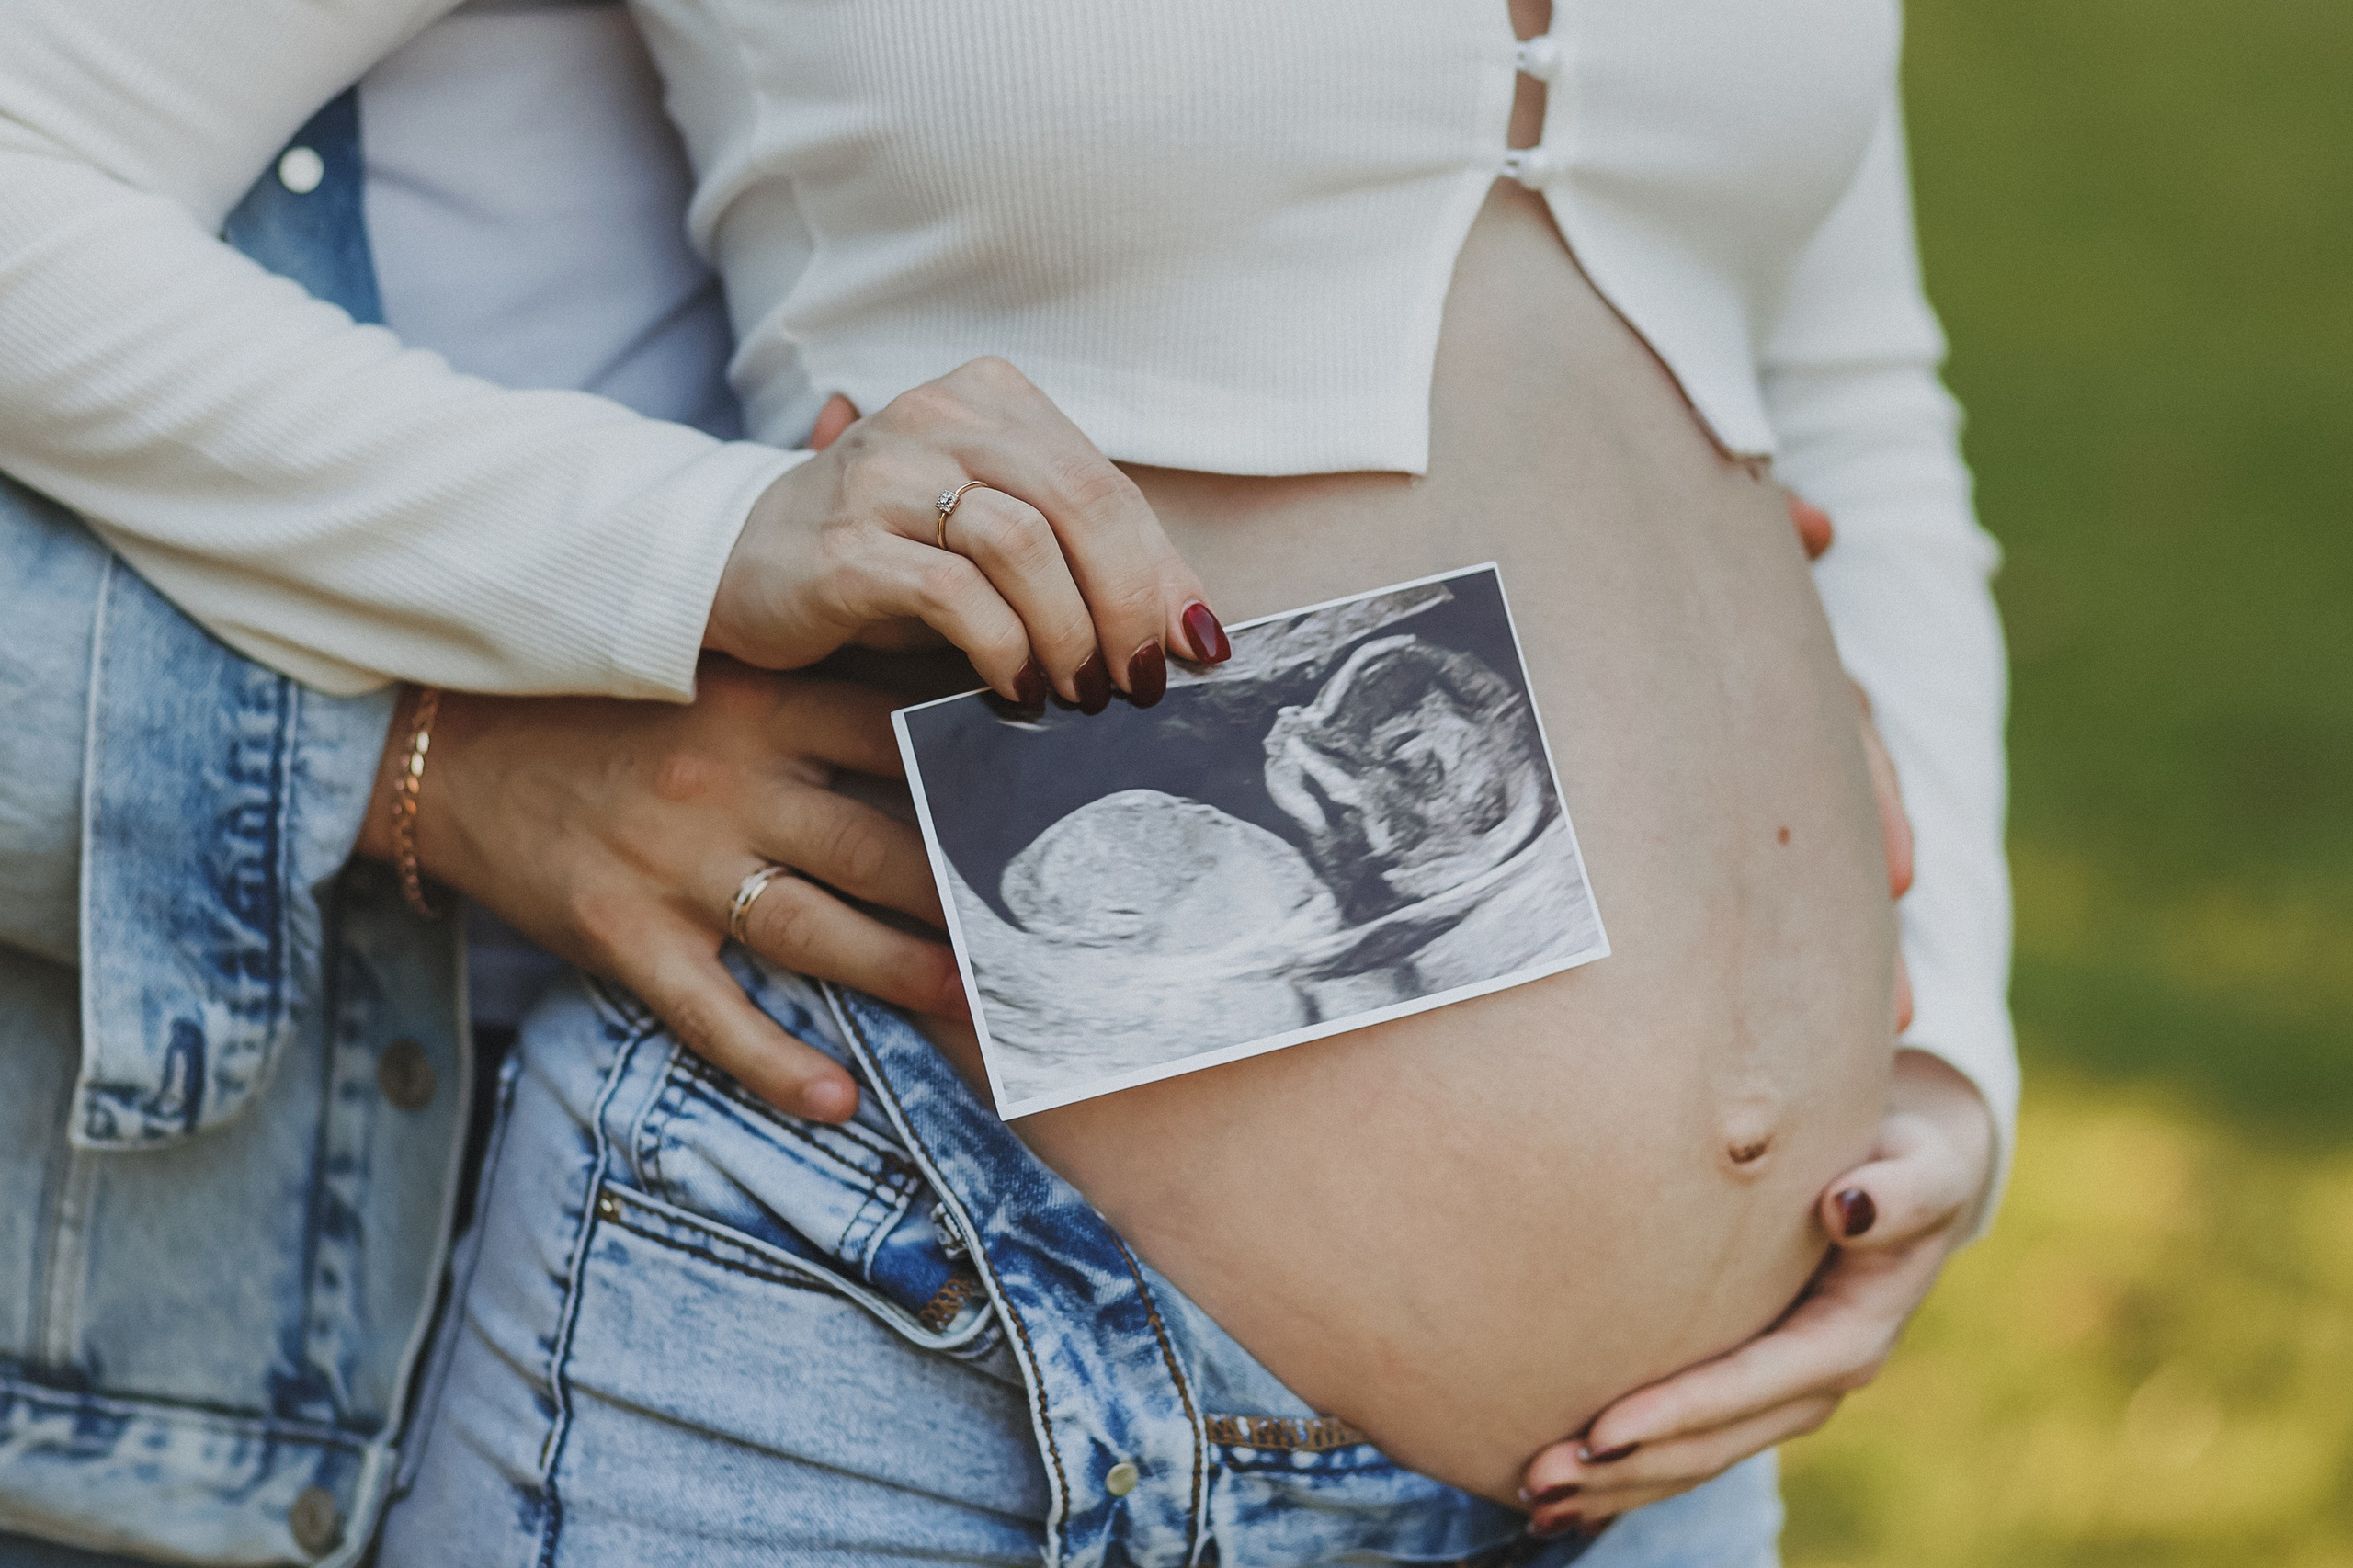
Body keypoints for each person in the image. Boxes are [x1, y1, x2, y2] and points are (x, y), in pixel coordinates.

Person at [0, 0, 2013, 1563]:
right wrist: (683, 543)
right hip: (913, 1331)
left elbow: (1845, 387)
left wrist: (1945, 1046)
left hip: (1675, 1449)